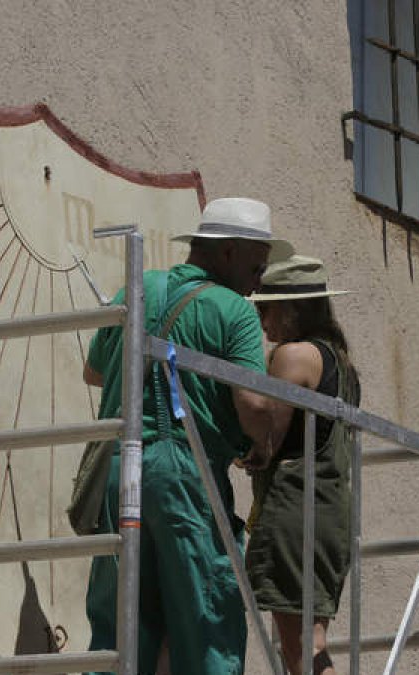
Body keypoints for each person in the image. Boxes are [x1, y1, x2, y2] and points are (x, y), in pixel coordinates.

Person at [82, 197, 293, 675]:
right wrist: (260, 447)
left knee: (119, 630)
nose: (259, 281)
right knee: (207, 620)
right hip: (186, 474)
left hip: (118, 468)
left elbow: (94, 371)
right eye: (257, 266)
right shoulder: (233, 311)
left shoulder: (134, 290)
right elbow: (254, 403)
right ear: (227, 253)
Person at [241, 256, 361, 675]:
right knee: (312, 642)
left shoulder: (293, 356)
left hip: (296, 509)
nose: (262, 323)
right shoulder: (341, 364)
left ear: (291, 309)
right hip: (330, 511)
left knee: (300, 650)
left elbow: (265, 437)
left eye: (265, 309)